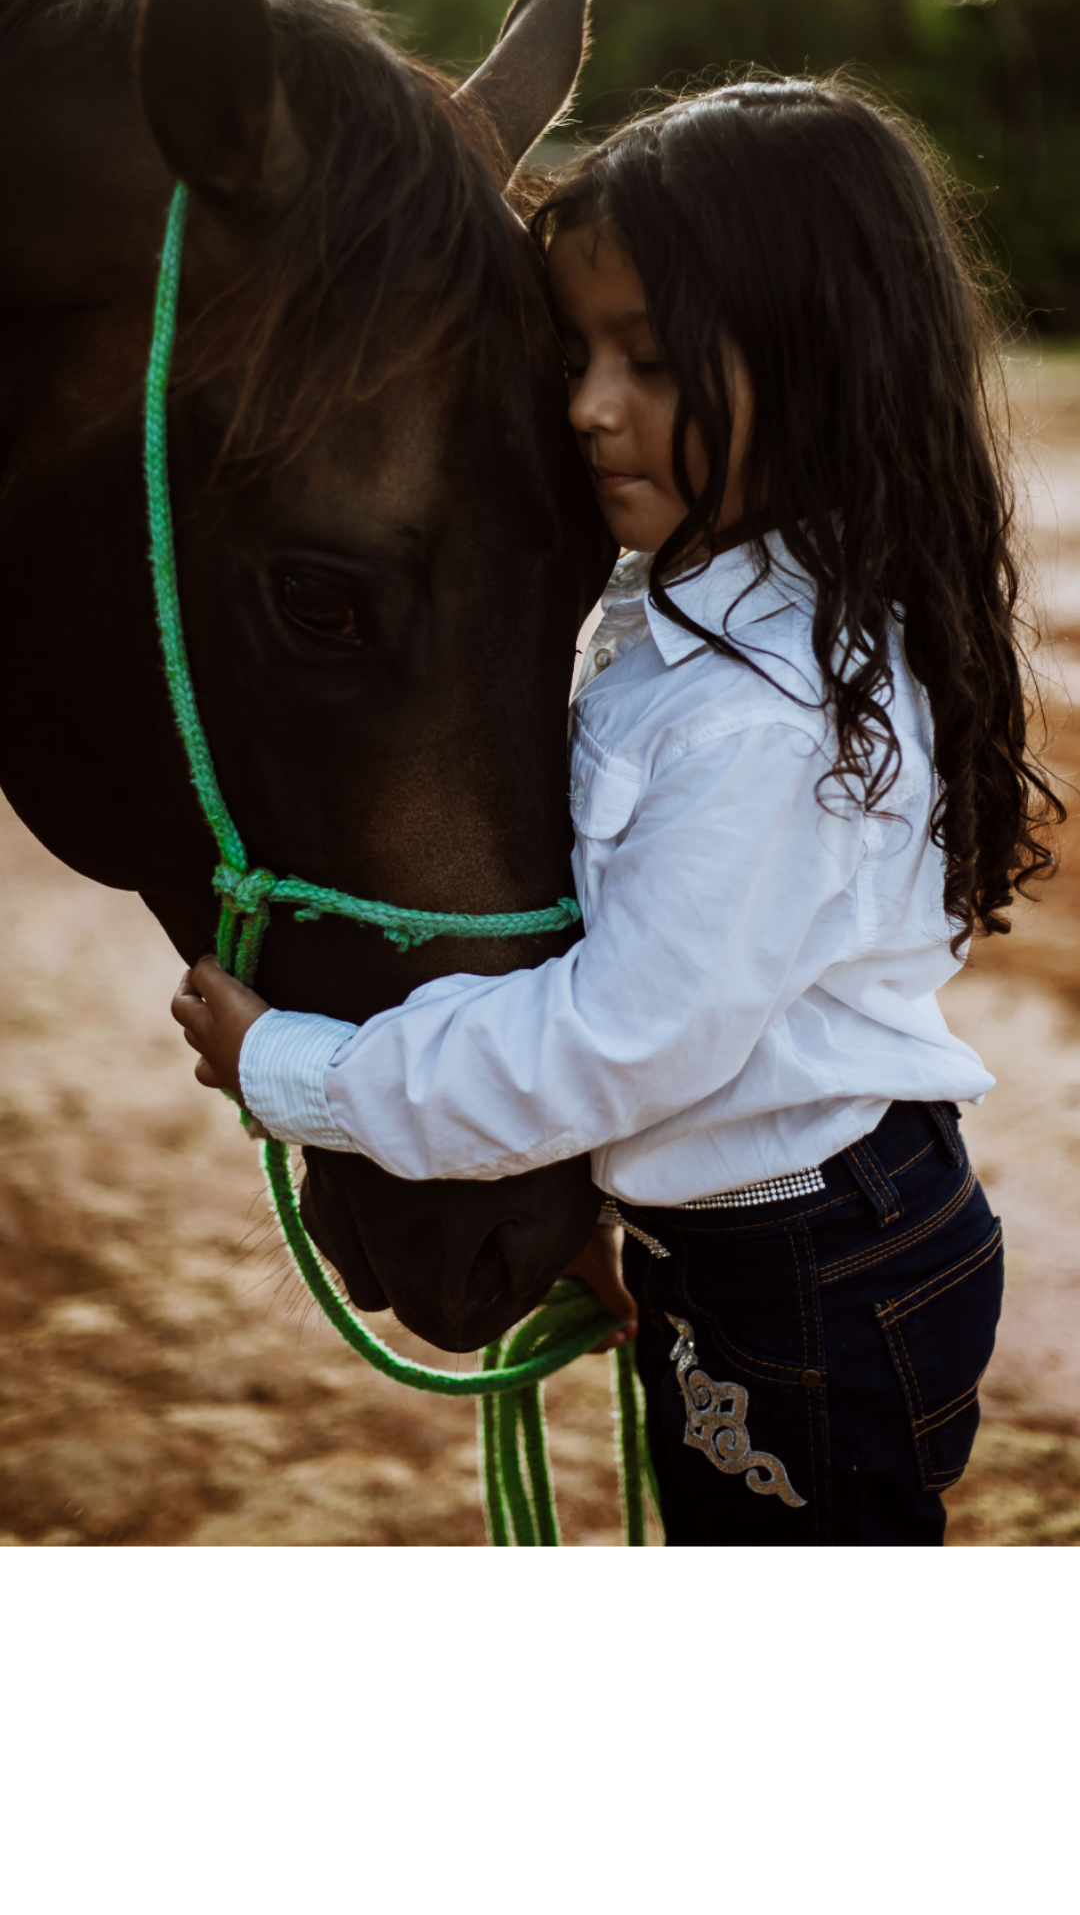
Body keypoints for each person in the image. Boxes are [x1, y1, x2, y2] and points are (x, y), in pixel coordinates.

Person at [172, 77, 1060, 1546]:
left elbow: (626, 1035)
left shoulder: (759, 710)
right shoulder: (689, 616)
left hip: (811, 1274)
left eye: (646, 362)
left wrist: (306, 1071)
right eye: (573, 353)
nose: (588, 407)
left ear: (818, 361)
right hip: (774, 1238)